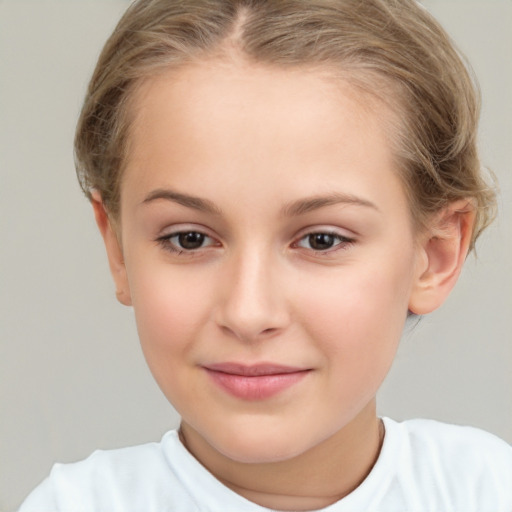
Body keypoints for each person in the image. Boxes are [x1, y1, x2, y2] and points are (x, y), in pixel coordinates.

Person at [19, 0, 512, 510]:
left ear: (434, 254)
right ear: (117, 249)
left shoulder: (489, 491)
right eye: (189, 238)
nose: (248, 313)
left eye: (322, 240)